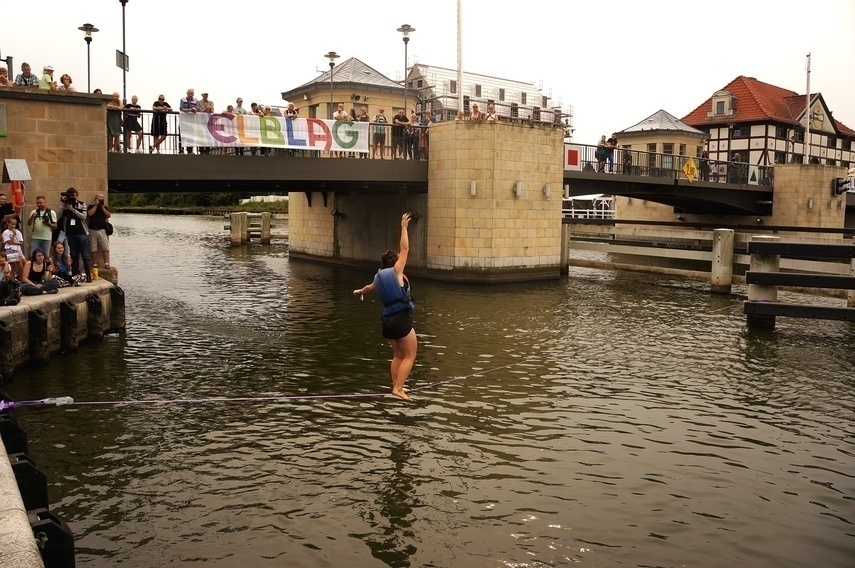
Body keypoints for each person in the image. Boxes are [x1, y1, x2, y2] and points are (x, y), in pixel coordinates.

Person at [352, 213, 417, 401]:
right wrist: (404, 227)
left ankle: (398, 385)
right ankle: (398, 388)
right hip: (400, 319)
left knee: (398, 355)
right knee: (410, 355)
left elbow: (368, 289)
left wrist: (359, 292)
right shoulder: (396, 271)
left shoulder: (378, 277)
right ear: (395, 262)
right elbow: (404, 248)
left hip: (387, 321)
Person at [57, 187, 91, 281]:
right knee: (74, 255)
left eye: (74, 195)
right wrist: (63, 205)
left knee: (85, 255)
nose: (72, 197)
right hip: (70, 234)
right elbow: (57, 216)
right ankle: (76, 274)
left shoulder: (81, 204)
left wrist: (73, 210)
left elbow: (84, 217)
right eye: (71, 196)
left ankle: (88, 275)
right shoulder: (65, 205)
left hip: (81, 233)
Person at [87, 192, 112, 269]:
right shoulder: (91, 206)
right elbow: (89, 214)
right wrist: (96, 205)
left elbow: (109, 215)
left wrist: (102, 207)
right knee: (93, 247)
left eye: (101, 199)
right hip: (92, 229)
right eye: (98, 199)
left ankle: (106, 263)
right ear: (95, 199)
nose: (100, 200)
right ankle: (94, 263)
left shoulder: (105, 207)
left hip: (102, 229)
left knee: (105, 247)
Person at [179, 88, 200, 154]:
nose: (190, 95)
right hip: (183, 120)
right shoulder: (183, 99)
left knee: (191, 135)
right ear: (187, 93)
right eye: (189, 93)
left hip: (192, 121)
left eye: (191, 93)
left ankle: (190, 150)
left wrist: (194, 110)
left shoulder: (196, 100)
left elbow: (197, 109)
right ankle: (181, 150)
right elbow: (181, 108)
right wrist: (190, 110)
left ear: (193, 94)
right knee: (182, 135)